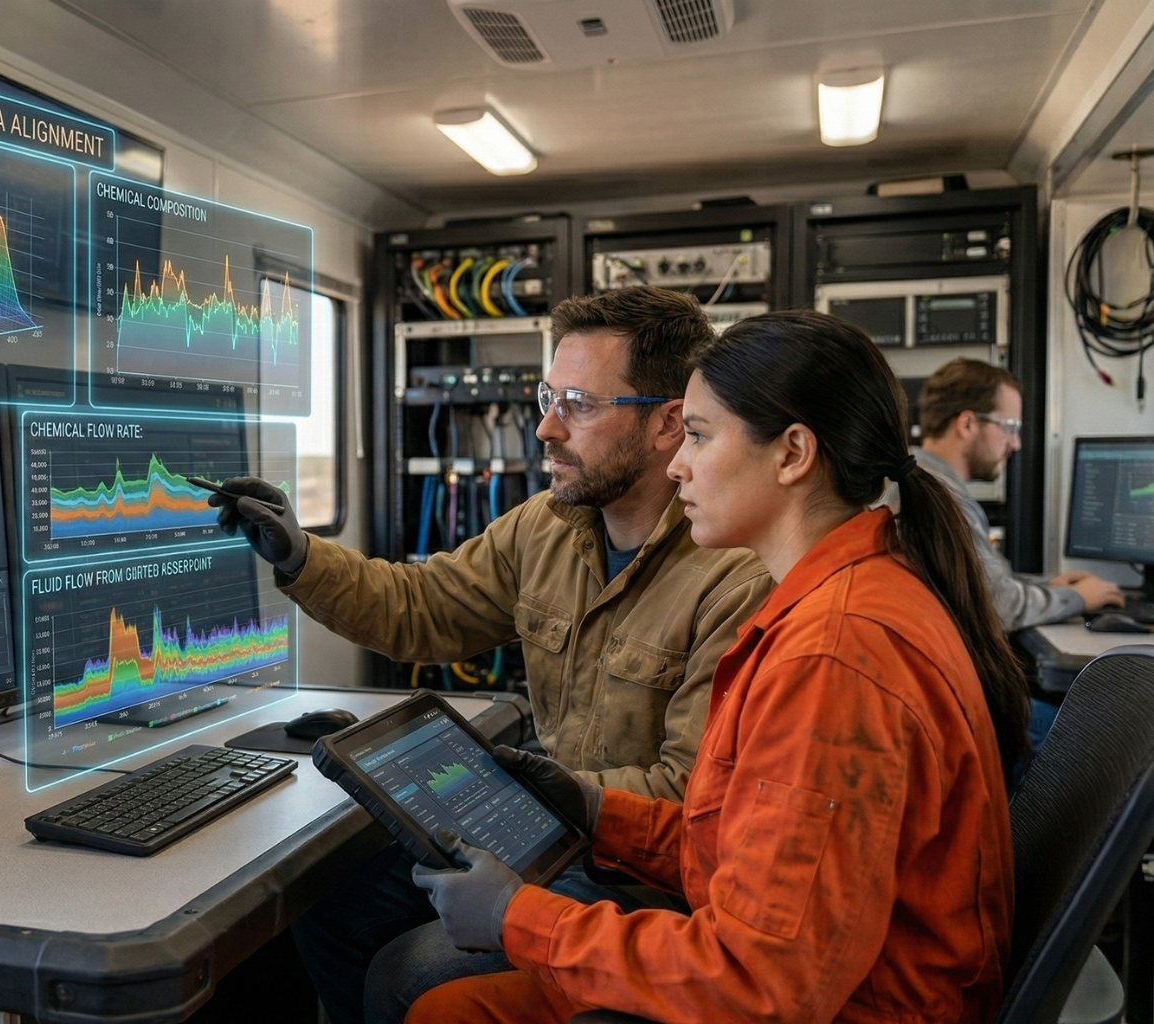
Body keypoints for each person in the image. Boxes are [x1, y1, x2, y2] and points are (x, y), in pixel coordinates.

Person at [401, 310, 1021, 1024]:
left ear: (792, 455)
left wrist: (517, 915)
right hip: (842, 983)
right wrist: (596, 811)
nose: (675, 464)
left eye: (696, 435)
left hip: (858, 1007)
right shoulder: (843, 596)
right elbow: (748, 846)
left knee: (440, 1009)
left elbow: (763, 981)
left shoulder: (835, 655)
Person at [210, 286, 770, 1024]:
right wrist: (302, 554)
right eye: (548, 396)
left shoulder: (734, 573)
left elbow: (689, 797)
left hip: (638, 874)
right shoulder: (549, 525)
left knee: (414, 974)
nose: (544, 427)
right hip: (537, 827)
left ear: (670, 421)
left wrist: (519, 793)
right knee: (331, 904)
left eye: (580, 403)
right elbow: (422, 607)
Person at [913, 357, 1122, 627]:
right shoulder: (939, 499)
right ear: (967, 424)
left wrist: (1047, 585)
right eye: (1010, 427)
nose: (1016, 443)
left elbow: (980, 583)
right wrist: (1077, 598)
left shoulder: (921, 481)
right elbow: (999, 605)